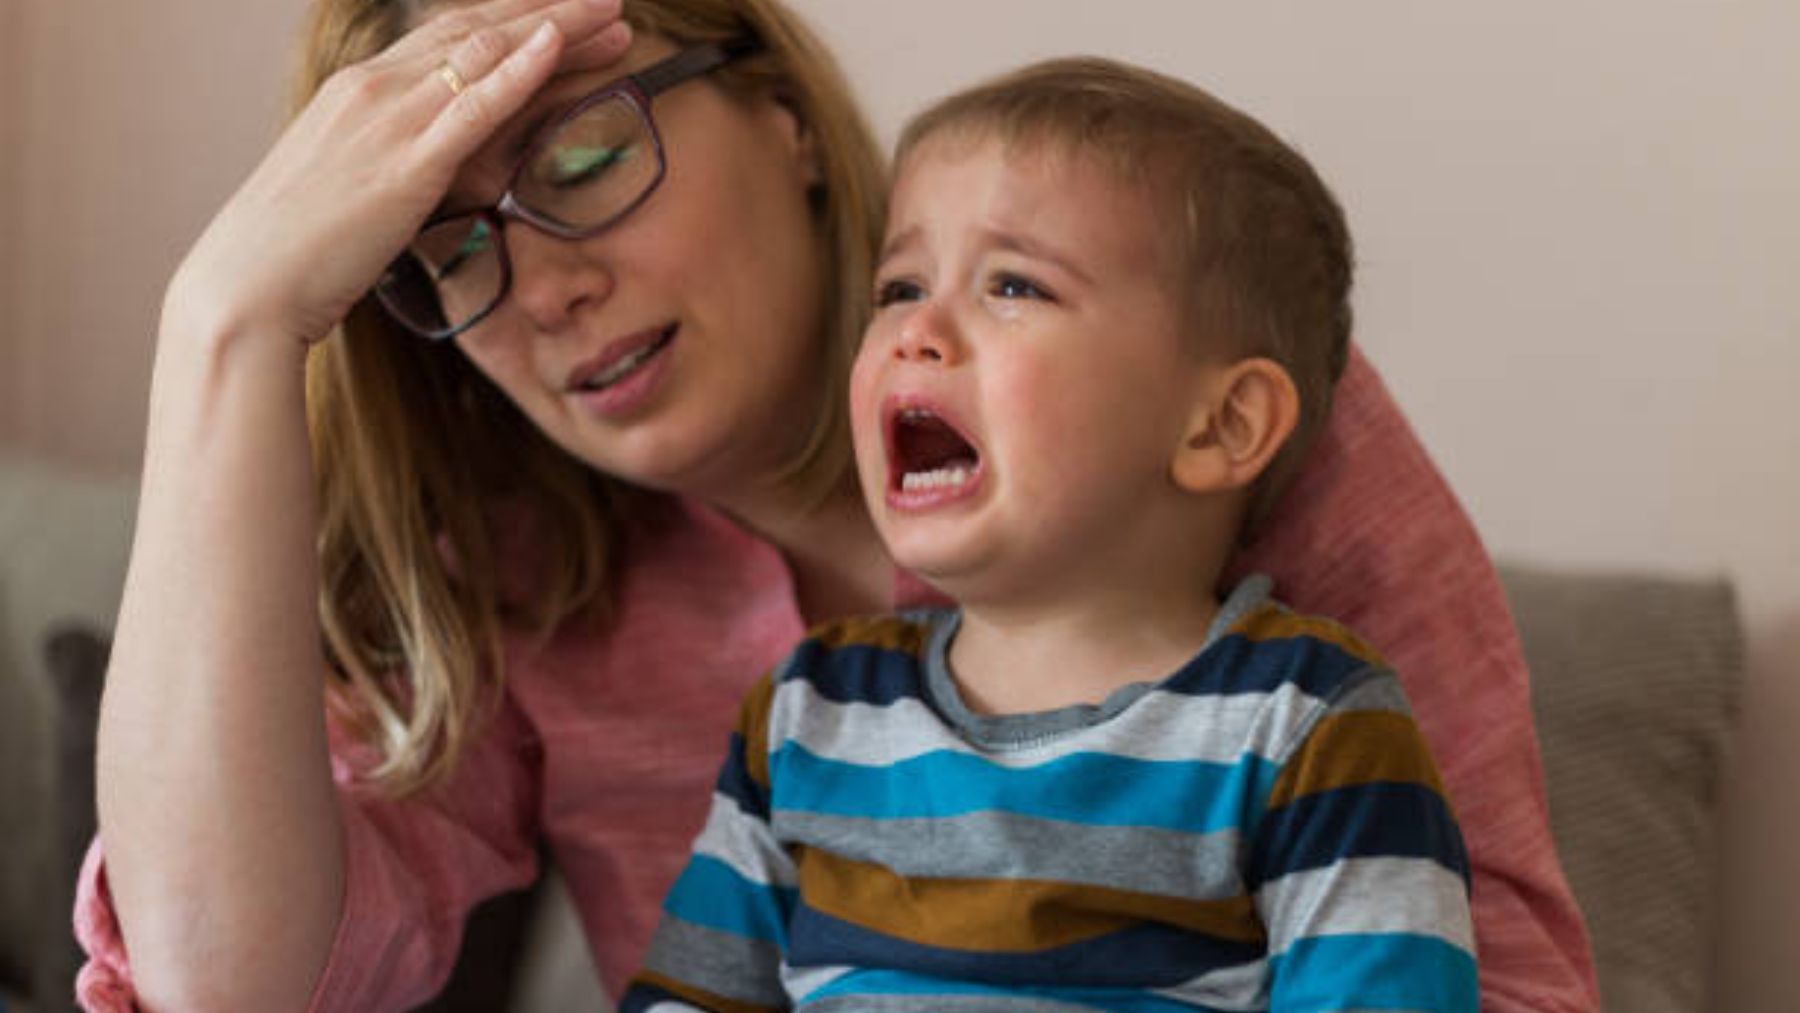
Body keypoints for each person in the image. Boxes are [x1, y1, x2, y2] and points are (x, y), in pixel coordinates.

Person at [74, 0, 1595, 1010]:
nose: (541, 286)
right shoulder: (562, 596)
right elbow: (224, 980)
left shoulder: (1205, 418)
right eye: (447, 248)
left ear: (781, 115)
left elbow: (1498, 974)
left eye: (590, 156)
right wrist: (226, 323)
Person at [618, 56, 1477, 1012]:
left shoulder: (1308, 724)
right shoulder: (808, 712)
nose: (916, 331)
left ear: (1219, 425)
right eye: (898, 288)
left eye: (1015, 286)